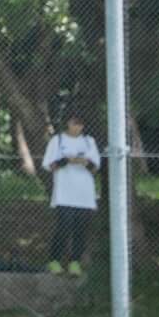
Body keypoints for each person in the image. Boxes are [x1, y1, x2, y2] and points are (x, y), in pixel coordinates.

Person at [41, 112, 99, 275]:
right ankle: (54, 261)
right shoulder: (57, 140)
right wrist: (66, 160)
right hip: (64, 194)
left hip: (84, 195)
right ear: (68, 123)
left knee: (80, 229)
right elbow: (49, 165)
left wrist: (84, 162)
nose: (77, 127)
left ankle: (75, 262)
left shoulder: (89, 141)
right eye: (74, 123)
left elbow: (95, 168)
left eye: (80, 124)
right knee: (64, 227)